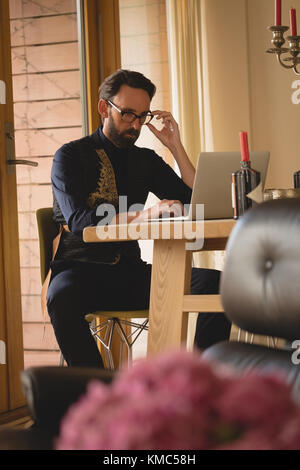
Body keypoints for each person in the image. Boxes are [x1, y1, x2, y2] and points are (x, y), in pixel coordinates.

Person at [47, 69, 231, 367]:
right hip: (80, 272)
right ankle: (97, 396)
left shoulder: (145, 160)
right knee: (60, 296)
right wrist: (146, 215)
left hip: (131, 274)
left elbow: (198, 202)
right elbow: (80, 222)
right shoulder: (69, 156)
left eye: (142, 116)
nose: (135, 124)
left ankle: (196, 385)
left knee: (218, 283)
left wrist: (175, 146)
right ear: (104, 108)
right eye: (127, 114)